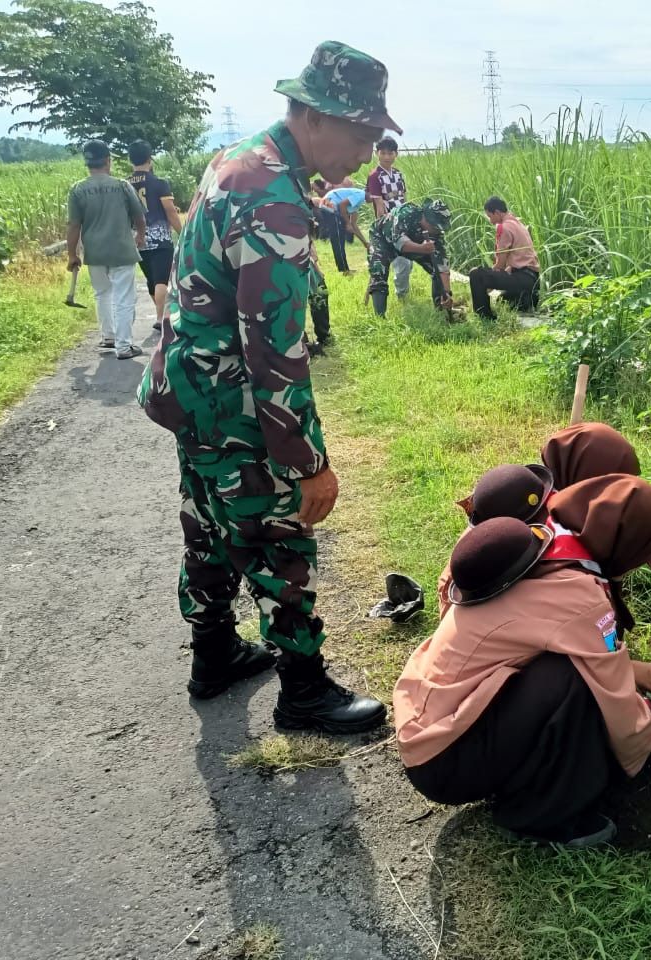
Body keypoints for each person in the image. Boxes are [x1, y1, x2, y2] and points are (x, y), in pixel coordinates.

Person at [138, 41, 402, 733]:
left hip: (188, 387)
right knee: (277, 530)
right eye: (363, 132)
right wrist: (307, 461)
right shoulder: (275, 200)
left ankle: (215, 650)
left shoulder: (243, 157)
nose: (367, 147)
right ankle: (305, 691)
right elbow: (276, 351)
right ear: (316, 115)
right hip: (230, 399)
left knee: (206, 521)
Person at [394, 496, 651, 847]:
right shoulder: (577, 593)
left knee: (567, 675)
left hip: (430, 724)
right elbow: (610, 691)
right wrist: (649, 738)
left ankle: (519, 781)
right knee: (572, 680)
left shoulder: (546, 551)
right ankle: (541, 817)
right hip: (443, 760)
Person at [442, 424, 651, 644]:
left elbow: (637, 515)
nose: (615, 491)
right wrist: (623, 669)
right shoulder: (529, 538)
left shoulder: (558, 495)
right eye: (612, 482)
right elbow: (542, 631)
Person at [67, 139, 146, 360]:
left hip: (95, 252)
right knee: (123, 297)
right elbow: (138, 214)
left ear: (87, 163)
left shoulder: (78, 190)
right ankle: (123, 346)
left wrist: (72, 254)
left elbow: (74, 226)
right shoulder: (121, 185)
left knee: (102, 294)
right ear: (108, 161)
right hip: (121, 249)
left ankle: (108, 337)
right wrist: (141, 235)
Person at [126, 140, 183, 331]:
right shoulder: (159, 183)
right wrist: (183, 233)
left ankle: (160, 314)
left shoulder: (124, 185)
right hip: (160, 238)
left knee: (151, 280)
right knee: (162, 280)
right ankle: (161, 318)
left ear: (130, 160)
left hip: (137, 239)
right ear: (150, 160)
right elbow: (170, 211)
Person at [367, 199, 455, 318]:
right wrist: (423, 248)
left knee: (436, 271)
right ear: (426, 219)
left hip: (416, 247)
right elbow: (400, 243)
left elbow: (442, 266)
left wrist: (446, 293)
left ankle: (440, 310)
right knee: (378, 269)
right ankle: (380, 318)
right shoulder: (407, 212)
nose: (437, 230)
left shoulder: (437, 234)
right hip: (384, 239)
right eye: (435, 227)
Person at [468, 196, 540, 321]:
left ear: (497, 212)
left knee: (476, 274)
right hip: (532, 280)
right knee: (503, 299)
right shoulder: (518, 224)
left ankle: (484, 316)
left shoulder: (504, 227)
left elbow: (500, 265)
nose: (491, 221)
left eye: (490, 216)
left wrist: (488, 281)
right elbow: (518, 261)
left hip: (523, 278)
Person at [365, 136, 411, 302]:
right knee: (402, 263)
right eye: (382, 153)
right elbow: (379, 205)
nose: (386, 156)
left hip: (403, 223)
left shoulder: (398, 174)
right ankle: (402, 297)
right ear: (377, 154)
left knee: (407, 261)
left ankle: (402, 293)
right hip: (389, 226)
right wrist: (385, 227)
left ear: (395, 154)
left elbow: (404, 199)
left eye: (390, 153)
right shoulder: (374, 176)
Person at [319, 182, 371, 273]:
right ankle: (344, 271)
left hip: (329, 207)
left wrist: (365, 243)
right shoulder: (361, 195)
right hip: (330, 206)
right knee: (338, 240)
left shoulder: (358, 201)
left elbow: (354, 224)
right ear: (370, 192)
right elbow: (342, 205)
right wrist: (347, 223)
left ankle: (344, 269)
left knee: (339, 239)